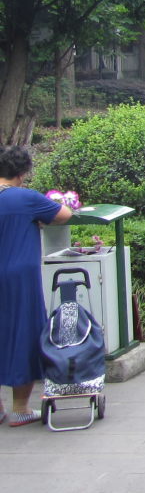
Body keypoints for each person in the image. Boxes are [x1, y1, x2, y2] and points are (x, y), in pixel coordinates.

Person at [0, 145, 73, 428]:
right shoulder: (24, 197)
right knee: (24, 332)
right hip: (18, 276)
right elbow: (64, 214)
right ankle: (20, 408)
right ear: (22, 173)